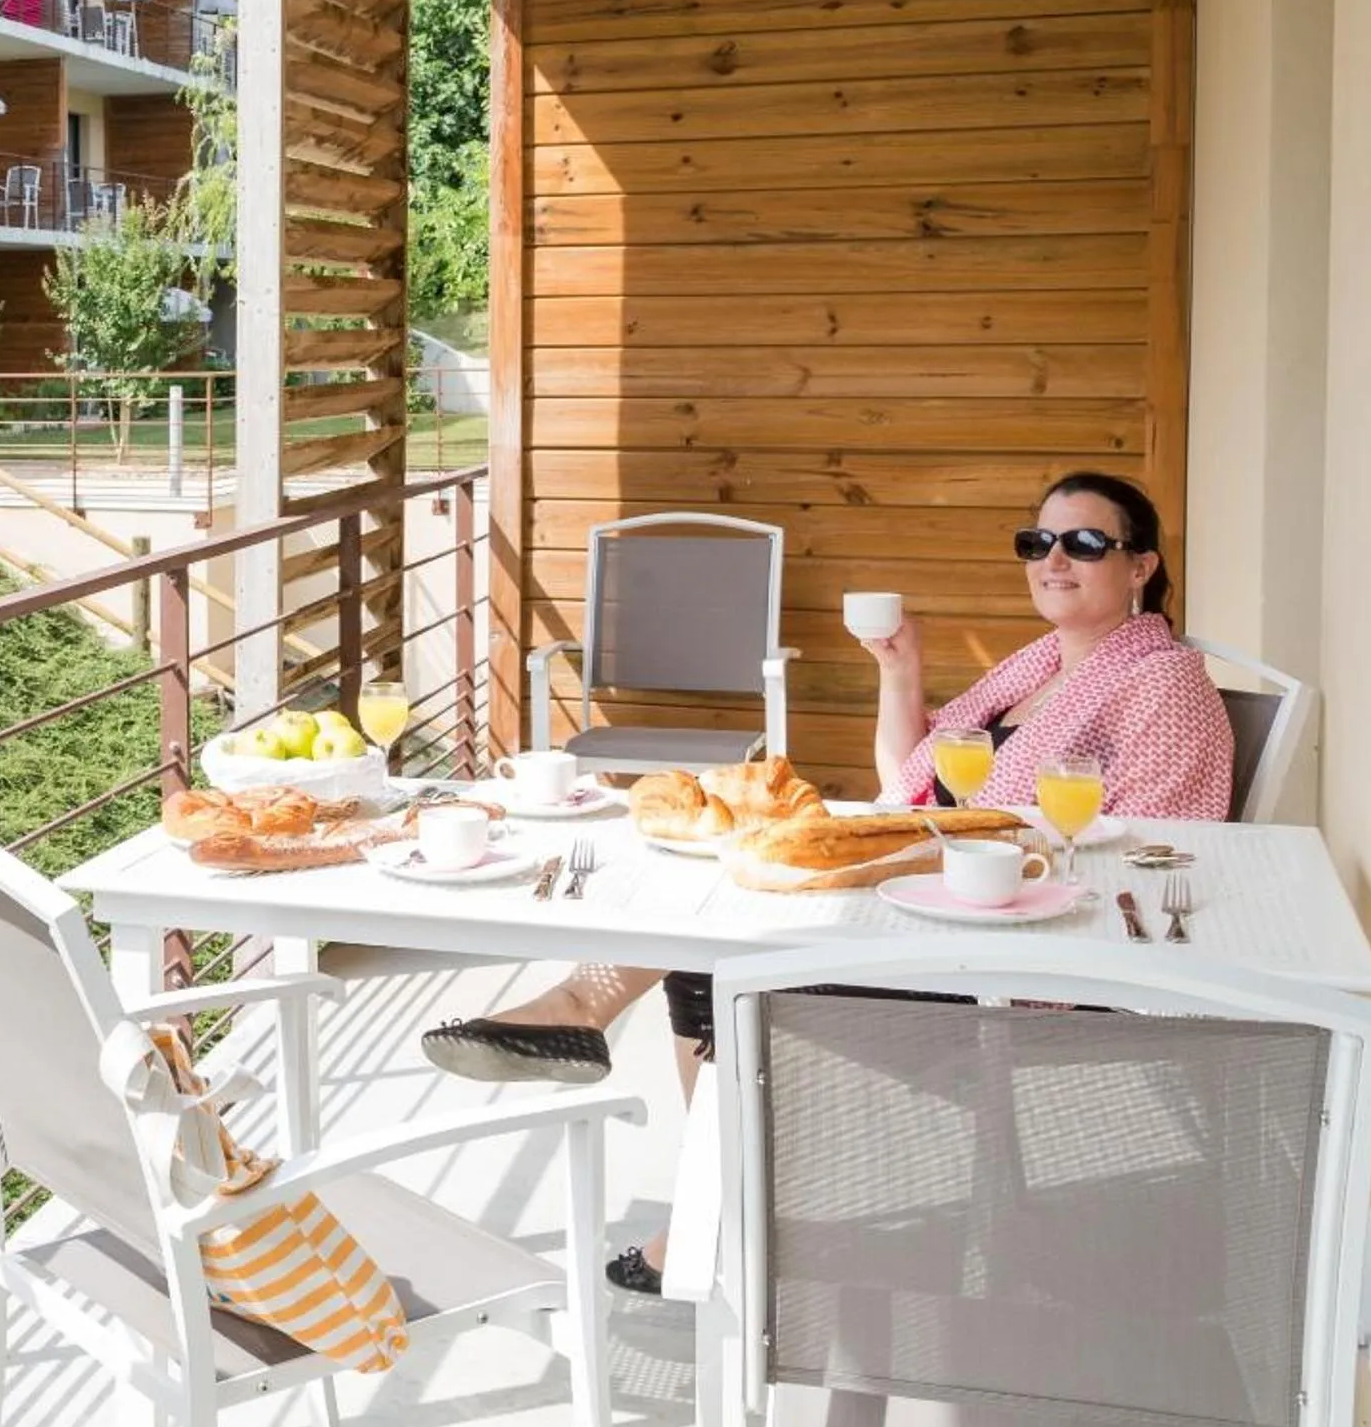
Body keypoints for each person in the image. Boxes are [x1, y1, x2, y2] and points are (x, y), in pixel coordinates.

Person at [415, 472, 1232, 1295]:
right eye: (1037, 541)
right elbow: (910, 783)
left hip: (1014, 955)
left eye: (1083, 543)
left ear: (1139, 565)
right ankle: (676, 1145)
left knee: (724, 952)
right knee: (723, 905)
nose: (1052, 559)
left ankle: (707, 1204)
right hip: (948, 904)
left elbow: (1158, 851)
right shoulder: (1040, 664)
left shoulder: (1163, 681)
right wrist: (900, 669)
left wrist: (965, 859)